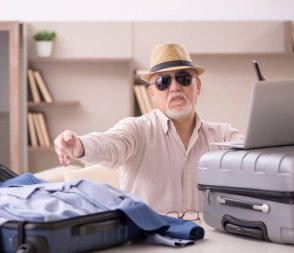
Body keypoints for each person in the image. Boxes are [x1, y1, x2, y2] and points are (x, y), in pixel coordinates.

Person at [54, 43, 243, 213]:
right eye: (163, 82)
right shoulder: (137, 131)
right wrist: (79, 146)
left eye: (184, 78)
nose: (175, 87)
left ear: (198, 86)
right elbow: (110, 144)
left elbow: (260, 151)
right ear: (152, 93)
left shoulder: (221, 136)